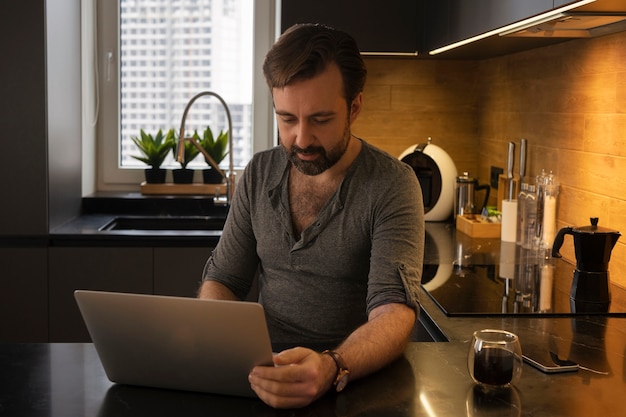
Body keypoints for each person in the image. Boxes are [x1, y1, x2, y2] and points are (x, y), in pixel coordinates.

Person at [198, 23, 424, 409]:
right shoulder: (258, 174)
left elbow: (393, 311)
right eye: (287, 119)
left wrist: (332, 365)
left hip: (355, 383)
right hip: (267, 377)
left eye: (320, 119)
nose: (301, 139)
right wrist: (219, 347)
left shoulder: (392, 185)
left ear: (354, 107)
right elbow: (224, 279)